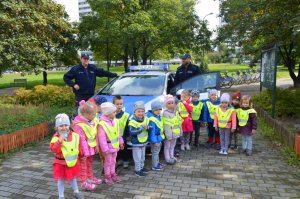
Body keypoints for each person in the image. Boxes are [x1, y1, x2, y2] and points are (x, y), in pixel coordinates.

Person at [50, 114, 83, 199]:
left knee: (73, 178)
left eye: (66, 125)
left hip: (72, 162)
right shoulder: (56, 137)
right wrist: (59, 141)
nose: (64, 128)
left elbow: (77, 146)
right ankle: (61, 196)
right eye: (61, 126)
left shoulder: (74, 135)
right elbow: (54, 150)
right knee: (60, 180)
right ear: (57, 127)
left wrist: (81, 154)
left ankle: (76, 191)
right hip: (60, 163)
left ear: (69, 125)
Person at [73, 100, 101, 190]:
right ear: (85, 114)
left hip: (90, 147)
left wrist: (96, 145)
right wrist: (85, 153)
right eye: (93, 114)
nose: (95, 115)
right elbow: (82, 140)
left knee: (89, 163)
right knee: (83, 166)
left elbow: (95, 133)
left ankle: (90, 177)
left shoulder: (92, 120)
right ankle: (83, 182)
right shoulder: (78, 125)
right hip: (83, 149)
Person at [97, 102, 124, 185]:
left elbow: (118, 133)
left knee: (113, 161)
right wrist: (105, 149)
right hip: (108, 148)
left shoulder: (115, 121)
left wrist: (121, 142)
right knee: (107, 162)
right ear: (108, 113)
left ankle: (113, 174)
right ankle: (107, 176)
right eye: (114, 112)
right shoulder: (102, 124)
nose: (115, 113)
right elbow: (101, 139)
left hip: (115, 146)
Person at [129, 101, 150, 177]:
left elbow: (150, 127)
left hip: (144, 141)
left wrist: (148, 127)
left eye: (142, 111)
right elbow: (132, 132)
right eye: (138, 111)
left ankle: (141, 167)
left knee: (142, 157)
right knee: (137, 158)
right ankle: (137, 170)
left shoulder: (146, 119)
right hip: (136, 143)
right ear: (134, 112)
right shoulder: (132, 121)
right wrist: (141, 128)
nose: (141, 113)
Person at [162, 95, 183, 165]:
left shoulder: (176, 112)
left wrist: (180, 131)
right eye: (169, 103)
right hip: (169, 135)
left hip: (175, 133)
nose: (171, 104)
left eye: (172, 103)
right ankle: (167, 159)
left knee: (172, 146)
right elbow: (167, 126)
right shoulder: (165, 113)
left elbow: (178, 123)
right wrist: (168, 135)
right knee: (167, 146)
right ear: (165, 104)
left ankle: (172, 156)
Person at [147, 100, 165, 171]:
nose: (158, 111)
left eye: (160, 109)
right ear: (153, 110)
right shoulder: (152, 119)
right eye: (156, 110)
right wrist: (154, 141)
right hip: (155, 140)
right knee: (155, 152)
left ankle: (157, 163)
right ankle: (154, 166)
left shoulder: (158, 116)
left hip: (158, 138)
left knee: (157, 152)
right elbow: (152, 132)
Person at [113, 95, 130, 169]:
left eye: (121, 104)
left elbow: (127, 126)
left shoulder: (126, 115)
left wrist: (128, 135)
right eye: (117, 104)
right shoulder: (111, 115)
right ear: (113, 104)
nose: (119, 106)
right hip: (113, 137)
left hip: (123, 136)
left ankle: (125, 160)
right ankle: (116, 161)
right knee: (115, 150)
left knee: (124, 149)